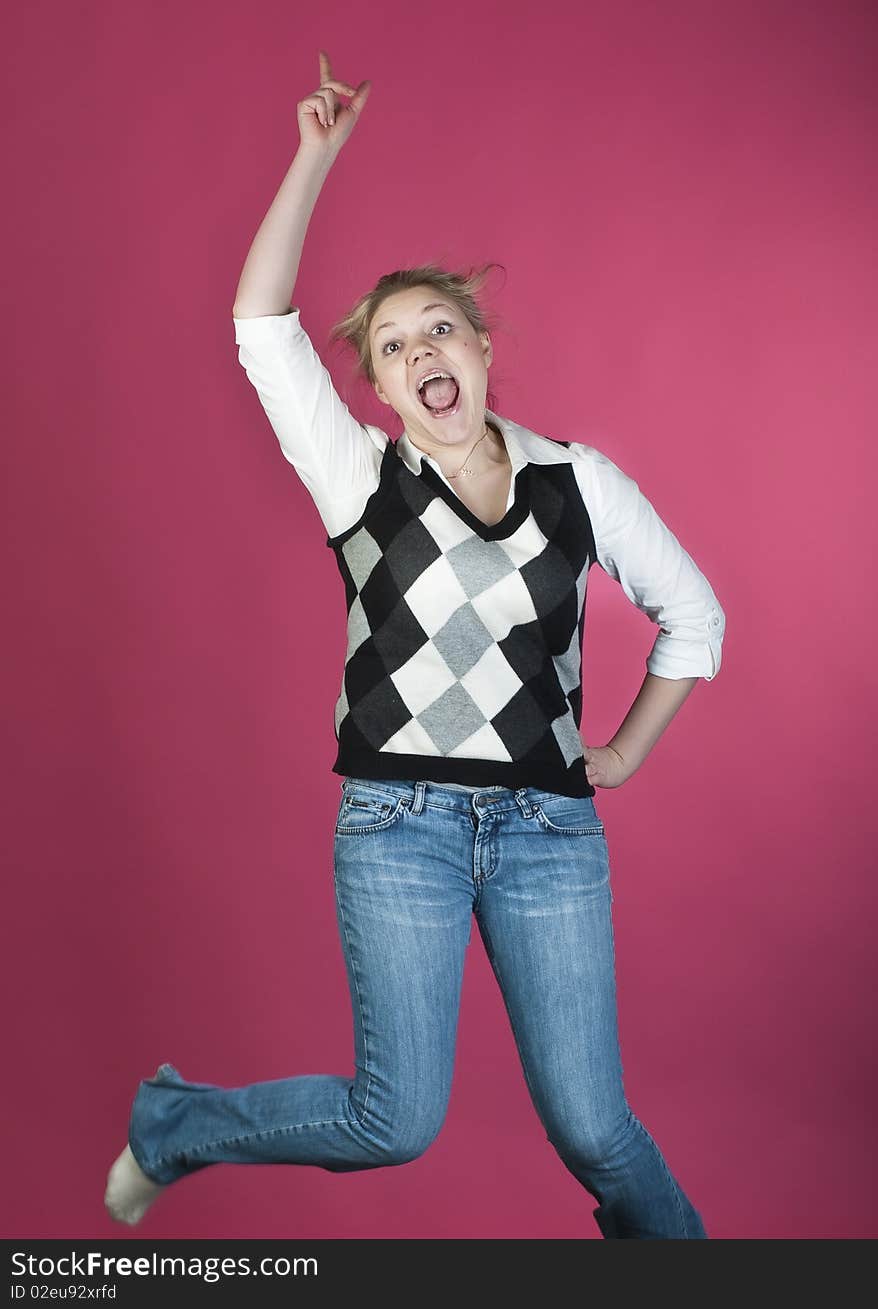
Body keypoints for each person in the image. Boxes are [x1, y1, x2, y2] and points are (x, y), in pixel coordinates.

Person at [105, 51, 726, 1238]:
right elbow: (259, 325)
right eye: (393, 346)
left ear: (482, 349)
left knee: (597, 1133)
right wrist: (314, 156)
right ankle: (172, 1125)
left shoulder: (577, 483)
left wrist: (626, 754)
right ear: (383, 388)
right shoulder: (358, 479)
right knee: (395, 1121)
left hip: (549, 829)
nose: (421, 352)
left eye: (440, 329)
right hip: (400, 827)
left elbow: (695, 619)